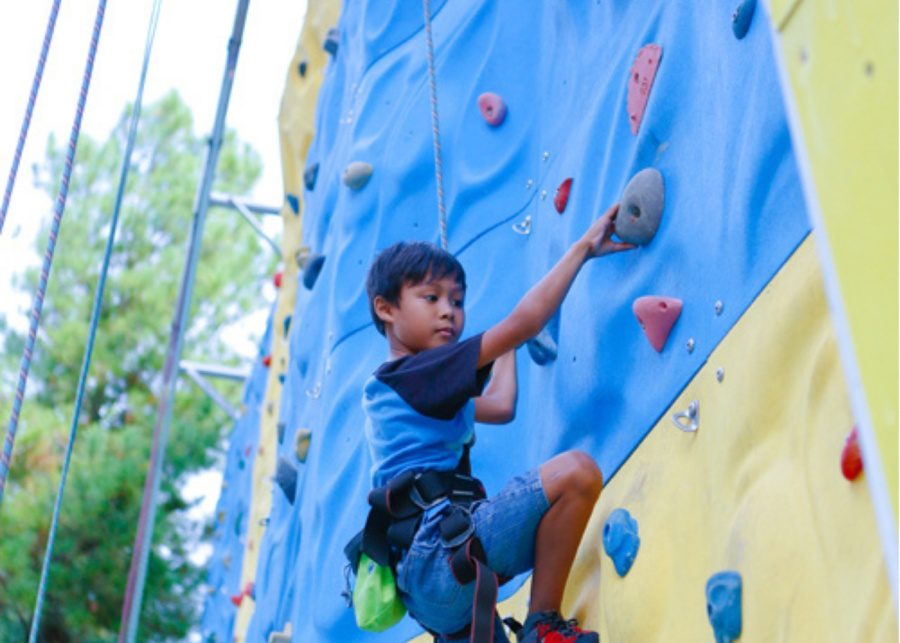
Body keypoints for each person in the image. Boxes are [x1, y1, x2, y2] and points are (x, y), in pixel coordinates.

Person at [361, 204, 633, 642]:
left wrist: (505, 350)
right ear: (386, 308)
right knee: (576, 475)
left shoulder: (402, 392)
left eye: (457, 301)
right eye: (431, 298)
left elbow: (500, 406)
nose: (449, 311)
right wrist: (583, 248)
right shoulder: (417, 373)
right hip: (442, 556)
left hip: (428, 589)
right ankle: (543, 623)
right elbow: (525, 322)